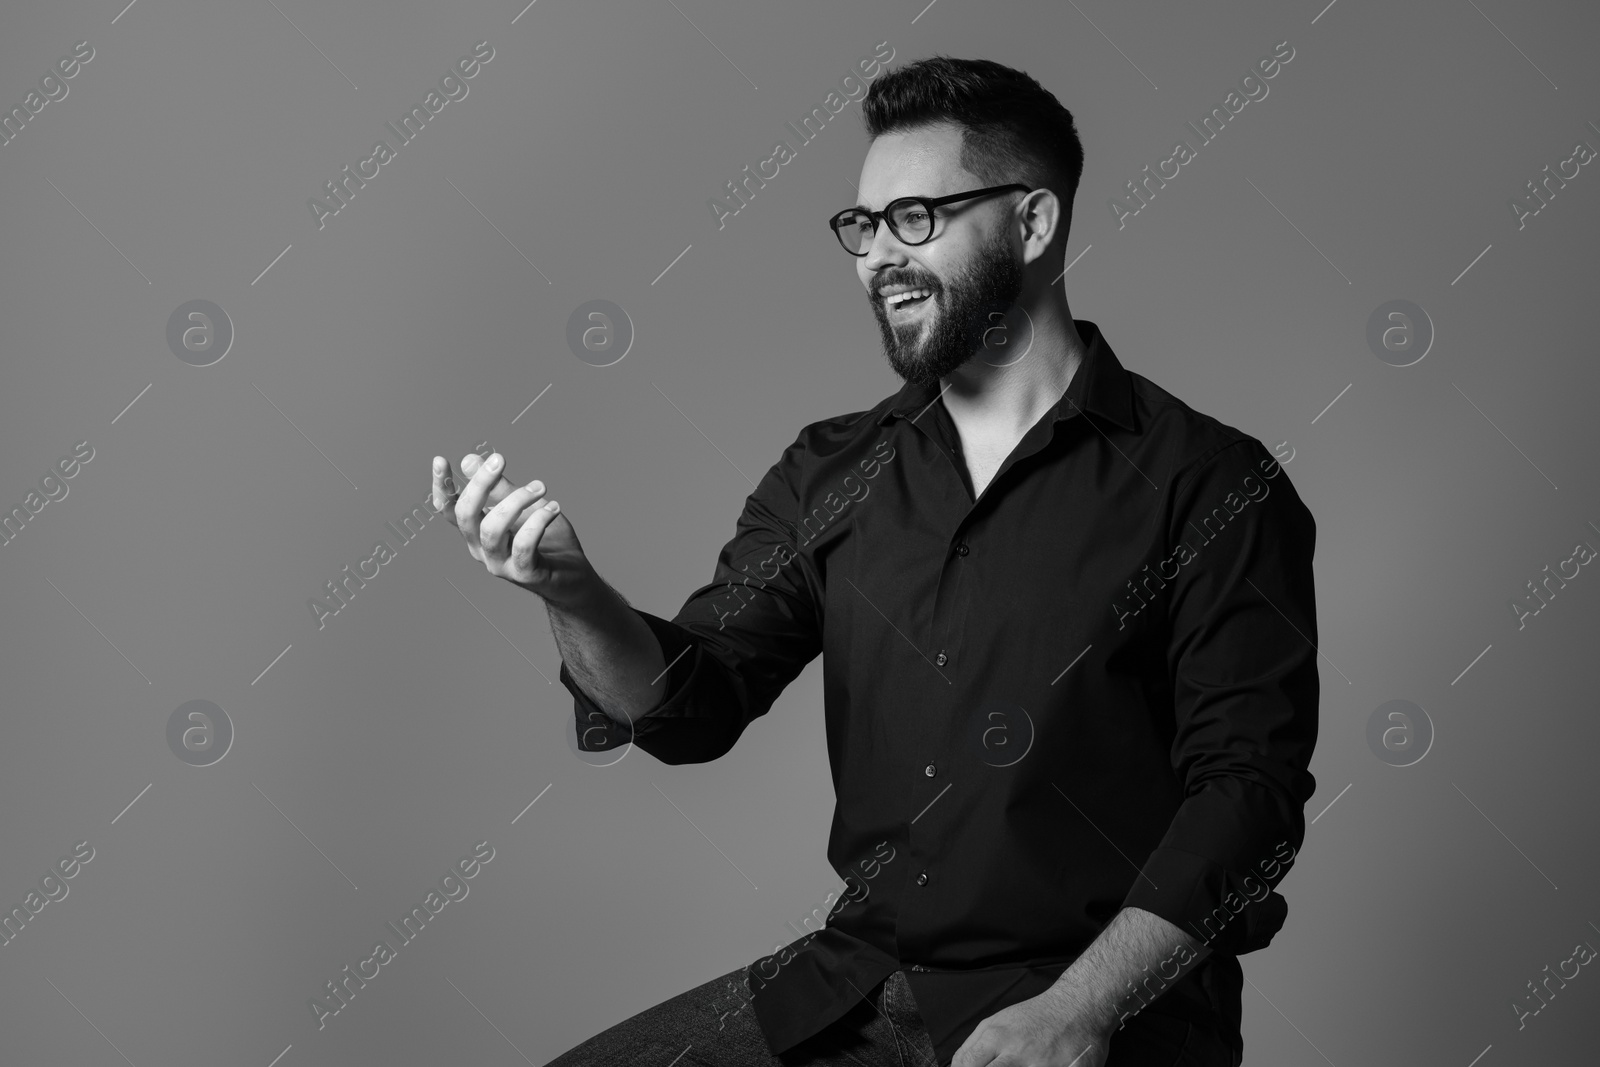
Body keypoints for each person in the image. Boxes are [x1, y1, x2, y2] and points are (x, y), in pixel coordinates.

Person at [430, 55, 1318, 1067]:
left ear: (1031, 222)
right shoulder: (831, 471)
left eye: (917, 219)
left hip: (1095, 1012)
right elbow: (692, 705)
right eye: (863, 225)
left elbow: (1246, 793)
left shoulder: (1209, 483)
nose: (876, 258)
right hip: (857, 984)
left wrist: (1080, 1010)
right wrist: (571, 593)